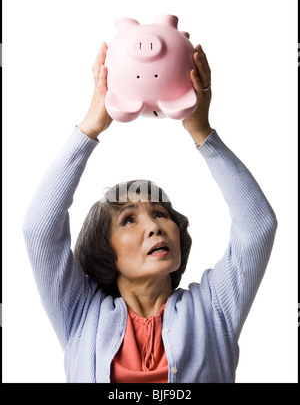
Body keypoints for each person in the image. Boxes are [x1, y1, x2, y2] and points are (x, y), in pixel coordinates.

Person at [23, 42, 277, 383]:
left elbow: (257, 227)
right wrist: (90, 128)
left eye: (160, 214)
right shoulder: (80, 315)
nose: (155, 227)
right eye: (129, 219)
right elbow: (40, 230)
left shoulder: (214, 309)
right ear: (105, 250)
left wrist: (201, 131)